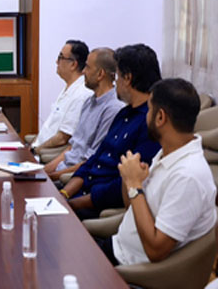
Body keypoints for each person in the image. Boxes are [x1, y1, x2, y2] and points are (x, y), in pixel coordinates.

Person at [100, 78, 216, 266]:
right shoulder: (168, 152)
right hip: (117, 248)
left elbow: (155, 250)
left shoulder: (188, 176)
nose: (146, 116)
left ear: (160, 117)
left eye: (149, 109)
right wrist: (129, 179)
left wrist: (134, 185)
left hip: (127, 268)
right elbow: (132, 208)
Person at [61, 44, 162, 219]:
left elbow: (124, 183)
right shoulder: (123, 114)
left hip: (97, 206)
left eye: (117, 77)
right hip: (80, 194)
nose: (115, 83)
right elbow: (93, 160)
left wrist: (72, 204)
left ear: (128, 78)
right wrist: (64, 194)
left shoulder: (149, 124)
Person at [44, 48, 123, 181]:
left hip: (73, 178)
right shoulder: (88, 102)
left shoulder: (112, 109)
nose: (83, 71)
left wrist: (53, 176)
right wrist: (44, 171)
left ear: (100, 74)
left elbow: (92, 161)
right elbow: (72, 148)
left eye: (87, 67)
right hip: (62, 171)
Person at [31, 40, 92, 153]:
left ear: (73, 64)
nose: (56, 61)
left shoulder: (81, 94)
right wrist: (32, 145)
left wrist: (35, 150)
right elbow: (49, 128)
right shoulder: (69, 88)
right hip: (37, 149)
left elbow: (62, 138)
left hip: (45, 154)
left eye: (60, 57)